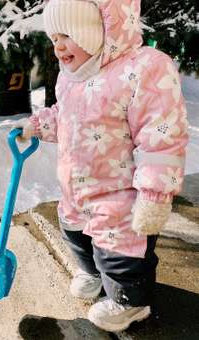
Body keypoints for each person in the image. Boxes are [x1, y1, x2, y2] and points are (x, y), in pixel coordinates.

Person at [14, 0, 188, 333]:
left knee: (121, 253)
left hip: (119, 194)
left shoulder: (141, 69)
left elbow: (161, 136)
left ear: (96, 31)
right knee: (75, 233)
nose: (58, 45)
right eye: (53, 37)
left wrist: (154, 194)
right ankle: (92, 272)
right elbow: (66, 119)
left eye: (67, 34)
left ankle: (129, 301)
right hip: (77, 189)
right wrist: (38, 125)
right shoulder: (71, 78)